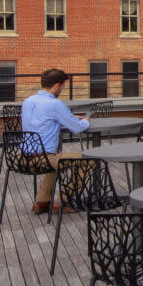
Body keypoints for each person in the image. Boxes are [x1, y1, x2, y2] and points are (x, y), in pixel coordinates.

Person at [20, 68, 90, 214]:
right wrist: (85, 121)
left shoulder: (27, 101)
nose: (62, 90)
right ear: (57, 86)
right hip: (44, 159)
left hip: (23, 158)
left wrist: (67, 118)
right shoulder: (55, 104)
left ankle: (42, 201)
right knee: (89, 161)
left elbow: (41, 122)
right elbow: (77, 128)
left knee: (56, 155)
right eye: (62, 87)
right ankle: (64, 200)